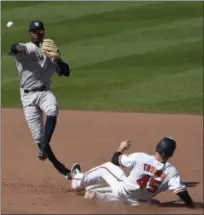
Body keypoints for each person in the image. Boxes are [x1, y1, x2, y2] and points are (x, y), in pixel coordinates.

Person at [9, 20, 72, 179]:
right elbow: (14, 48)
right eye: (35, 31)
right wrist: (19, 47)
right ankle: (62, 169)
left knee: (52, 109)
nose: (38, 34)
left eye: (41, 31)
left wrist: (57, 57)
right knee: (38, 137)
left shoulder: (50, 52)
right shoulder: (28, 48)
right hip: (28, 97)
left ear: (44, 32)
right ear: (30, 34)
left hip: (44, 93)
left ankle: (43, 148)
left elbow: (66, 72)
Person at [71, 137, 196, 207]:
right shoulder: (171, 171)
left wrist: (121, 148)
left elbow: (115, 160)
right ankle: (97, 196)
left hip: (124, 191)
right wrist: (192, 204)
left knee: (106, 167)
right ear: (171, 154)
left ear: (157, 147)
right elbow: (182, 193)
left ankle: (76, 180)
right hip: (142, 203)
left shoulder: (140, 157)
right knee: (137, 199)